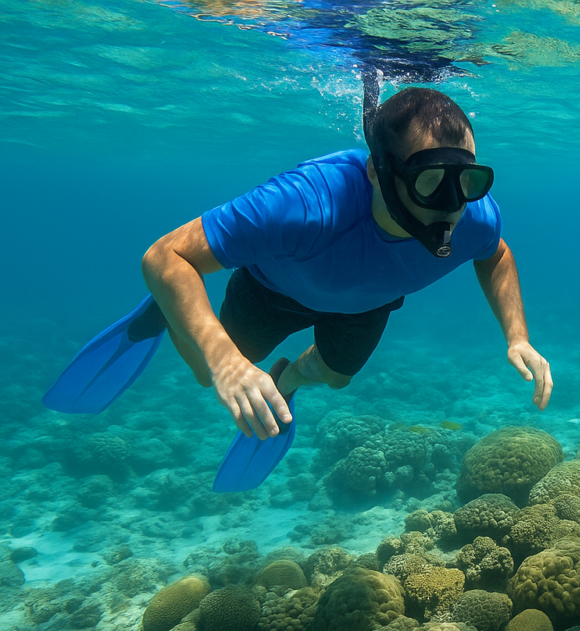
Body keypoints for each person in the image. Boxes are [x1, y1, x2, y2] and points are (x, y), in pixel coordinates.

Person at [44, 85, 552, 489]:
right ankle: (163, 309)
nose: (451, 204)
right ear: (378, 172)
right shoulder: (305, 203)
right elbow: (164, 254)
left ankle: (284, 381)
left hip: (367, 302)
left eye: (467, 182)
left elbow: (497, 255)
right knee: (205, 373)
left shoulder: (476, 218)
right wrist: (224, 360)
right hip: (273, 288)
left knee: (334, 377)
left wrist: (517, 335)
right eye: (429, 181)